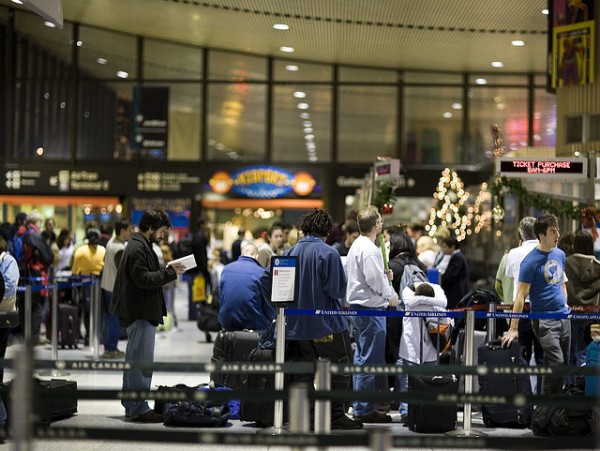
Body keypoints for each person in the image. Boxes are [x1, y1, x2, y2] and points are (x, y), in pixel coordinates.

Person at [269, 208, 363, 430]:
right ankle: (335, 415)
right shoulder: (329, 253)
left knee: (303, 371)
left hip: (295, 326)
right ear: (326, 229)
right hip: (326, 325)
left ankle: (305, 416)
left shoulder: (289, 252)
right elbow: (337, 289)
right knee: (343, 363)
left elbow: (268, 281)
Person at [110, 209, 186, 423]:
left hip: (139, 310)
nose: (162, 235)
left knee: (134, 359)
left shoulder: (139, 245)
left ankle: (133, 404)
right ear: (150, 228)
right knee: (141, 362)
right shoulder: (137, 248)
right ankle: (138, 408)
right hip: (140, 311)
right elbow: (142, 279)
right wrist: (170, 273)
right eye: (161, 231)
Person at [502, 214, 570, 395]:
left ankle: (551, 409)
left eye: (558, 230)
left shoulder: (560, 254)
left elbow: (561, 284)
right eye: (552, 231)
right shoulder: (530, 262)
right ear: (541, 235)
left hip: (563, 317)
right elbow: (520, 296)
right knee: (557, 362)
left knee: (560, 366)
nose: (557, 235)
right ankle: (548, 408)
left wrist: (566, 308)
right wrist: (513, 327)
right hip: (544, 320)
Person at [346, 206, 398, 424]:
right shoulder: (368, 249)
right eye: (380, 222)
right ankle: (364, 409)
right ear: (376, 225)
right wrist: (391, 294)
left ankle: (361, 405)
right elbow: (375, 281)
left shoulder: (358, 245)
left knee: (361, 358)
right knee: (369, 359)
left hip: (361, 310)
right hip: (371, 310)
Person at [396, 282, 449, 423]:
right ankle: (427, 411)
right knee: (430, 383)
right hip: (431, 350)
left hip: (410, 349)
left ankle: (406, 412)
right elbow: (447, 320)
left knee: (407, 383)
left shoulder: (410, 305)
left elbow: (410, 300)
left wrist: (419, 299)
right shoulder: (438, 308)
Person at [505, 217, 544, 385]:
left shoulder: (514, 253)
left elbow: (509, 275)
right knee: (543, 358)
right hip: (543, 309)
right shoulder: (548, 251)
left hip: (521, 310)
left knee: (522, 356)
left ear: (521, 234)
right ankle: (543, 406)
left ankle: (524, 401)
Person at [565, 230, 600, 386]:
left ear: (575, 245)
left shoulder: (566, 262)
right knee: (587, 351)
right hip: (592, 314)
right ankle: (586, 387)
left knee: (569, 352)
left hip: (571, 313)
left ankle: (571, 389)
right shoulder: (598, 267)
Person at [218, 244, 275, 332]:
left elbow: (222, 296)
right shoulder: (261, 273)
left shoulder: (226, 269)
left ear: (241, 254)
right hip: (253, 324)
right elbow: (268, 306)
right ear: (257, 256)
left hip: (226, 322)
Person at [100, 219, 132, 359]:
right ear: (122, 230)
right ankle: (110, 348)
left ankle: (110, 346)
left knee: (111, 318)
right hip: (114, 288)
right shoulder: (119, 248)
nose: (131, 232)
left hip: (107, 285)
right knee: (115, 320)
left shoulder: (110, 243)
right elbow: (122, 270)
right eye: (129, 229)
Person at [71, 228, 106, 347]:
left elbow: (75, 271)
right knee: (99, 310)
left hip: (85, 282)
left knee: (88, 311)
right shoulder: (103, 250)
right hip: (100, 282)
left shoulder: (81, 250)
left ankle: (88, 336)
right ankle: (98, 335)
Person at [0, 237, 19, 430]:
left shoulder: (7, 261)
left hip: (2, 318)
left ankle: (2, 419)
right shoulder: (8, 261)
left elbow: (8, 289)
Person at [437, 235, 469, 309]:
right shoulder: (457, 256)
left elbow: (449, 275)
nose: (443, 249)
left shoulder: (457, 257)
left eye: (445, 247)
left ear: (452, 247)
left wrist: (439, 278)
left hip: (456, 291)